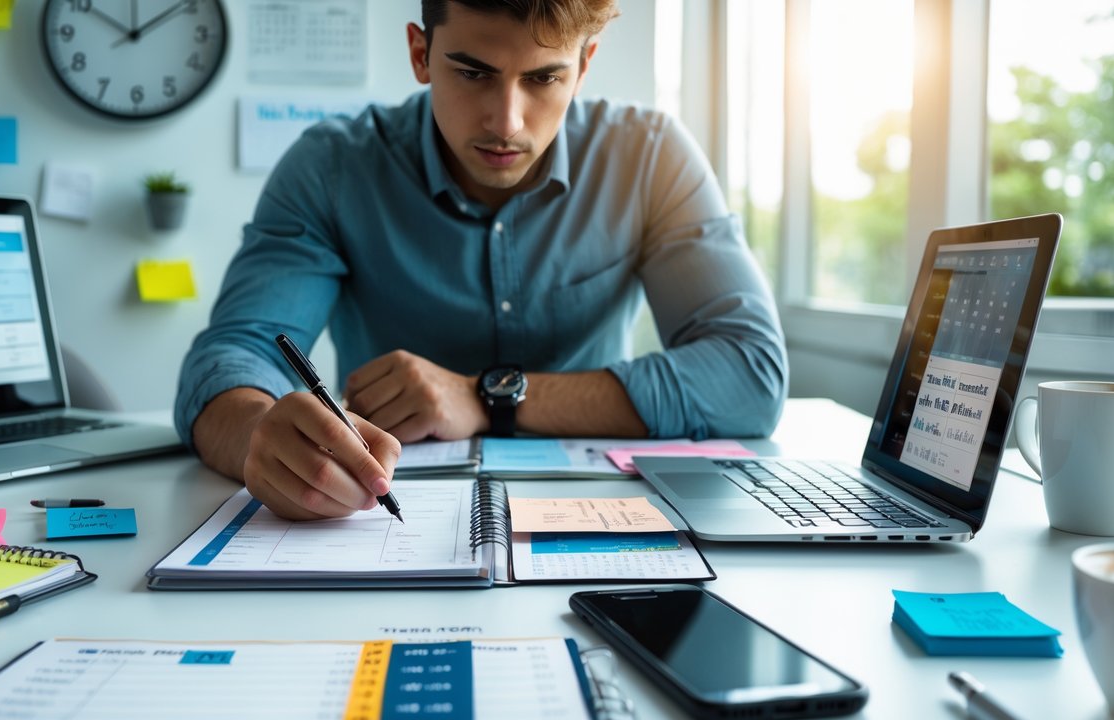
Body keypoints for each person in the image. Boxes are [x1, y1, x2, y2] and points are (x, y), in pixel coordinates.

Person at [176, 0, 787, 521]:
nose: (506, 122)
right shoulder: (333, 167)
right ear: (420, 53)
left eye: (545, 78)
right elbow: (233, 355)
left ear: (584, 66)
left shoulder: (649, 156)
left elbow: (749, 374)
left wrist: (486, 397)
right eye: (472, 73)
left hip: (602, 514)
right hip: (380, 517)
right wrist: (260, 433)